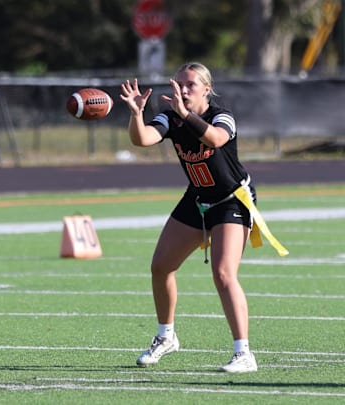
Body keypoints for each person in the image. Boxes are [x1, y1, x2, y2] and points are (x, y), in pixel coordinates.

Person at [119, 62, 287, 373]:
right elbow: (141, 139)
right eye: (179, 83)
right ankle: (166, 336)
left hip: (230, 199)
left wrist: (185, 114)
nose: (182, 89)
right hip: (197, 198)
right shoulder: (170, 115)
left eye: (191, 84)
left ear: (206, 89)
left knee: (224, 274)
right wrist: (135, 113)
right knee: (160, 266)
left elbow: (216, 139)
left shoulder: (220, 113)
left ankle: (244, 353)